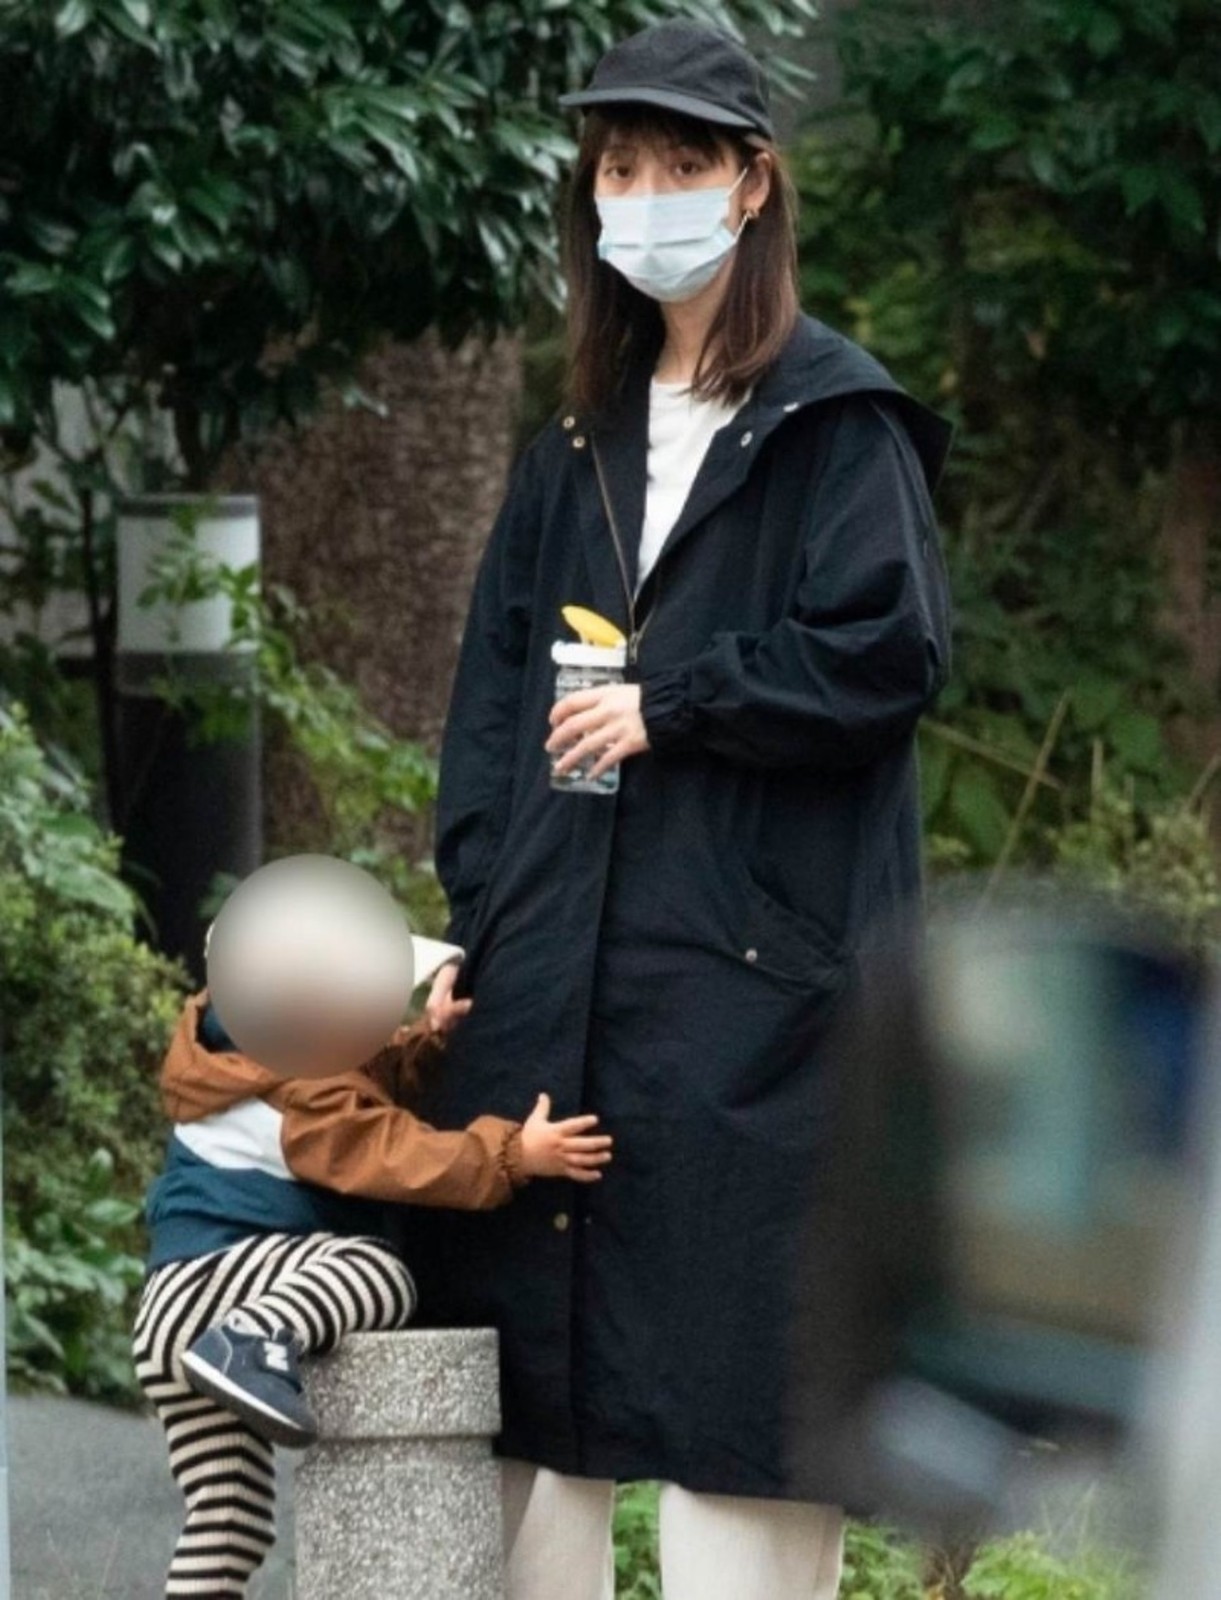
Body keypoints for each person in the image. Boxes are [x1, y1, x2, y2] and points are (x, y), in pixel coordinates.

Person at [414, 17, 953, 1600]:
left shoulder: (836, 423)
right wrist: (477, 921)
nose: (643, 197)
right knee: (532, 1431)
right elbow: (491, 716)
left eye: (681, 164)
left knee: (741, 1427)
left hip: (757, 1011)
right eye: (618, 168)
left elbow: (884, 653)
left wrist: (678, 701)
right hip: (553, 993)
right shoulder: (573, 445)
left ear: (753, 182)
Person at [133, 938, 612, 1599]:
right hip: (226, 1286)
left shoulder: (240, 1055)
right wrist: (514, 1154)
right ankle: (257, 1337)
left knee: (227, 1520)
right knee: (376, 1270)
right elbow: (400, 1154)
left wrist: (431, 1041)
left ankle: (245, 1343)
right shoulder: (303, 1101)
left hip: (166, 1316)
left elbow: (362, 1082)